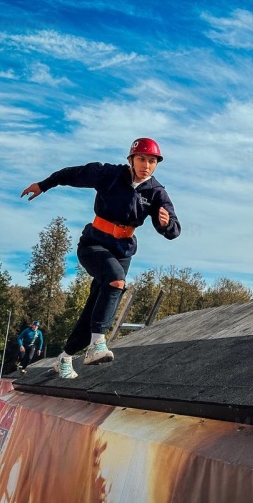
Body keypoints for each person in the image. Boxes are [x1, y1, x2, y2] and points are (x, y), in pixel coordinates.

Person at [21, 138, 181, 379]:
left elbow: (173, 229)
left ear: (157, 164)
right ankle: (97, 345)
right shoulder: (109, 174)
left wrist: (165, 223)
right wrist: (44, 185)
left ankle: (64, 357)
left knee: (97, 307)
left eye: (151, 161)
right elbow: (73, 174)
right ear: (131, 160)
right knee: (116, 281)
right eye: (141, 159)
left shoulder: (157, 192)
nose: (146, 165)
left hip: (123, 251)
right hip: (94, 244)